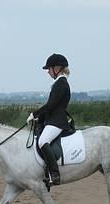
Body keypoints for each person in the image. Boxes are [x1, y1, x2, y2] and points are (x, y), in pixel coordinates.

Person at [27, 53, 71, 186]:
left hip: (57, 122)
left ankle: (55, 174)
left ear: (57, 68)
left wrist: (35, 114)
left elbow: (51, 105)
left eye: (49, 69)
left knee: (42, 141)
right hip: (53, 119)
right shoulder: (58, 83)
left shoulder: (61, 83)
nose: (48, 72)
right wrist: (40, 118)